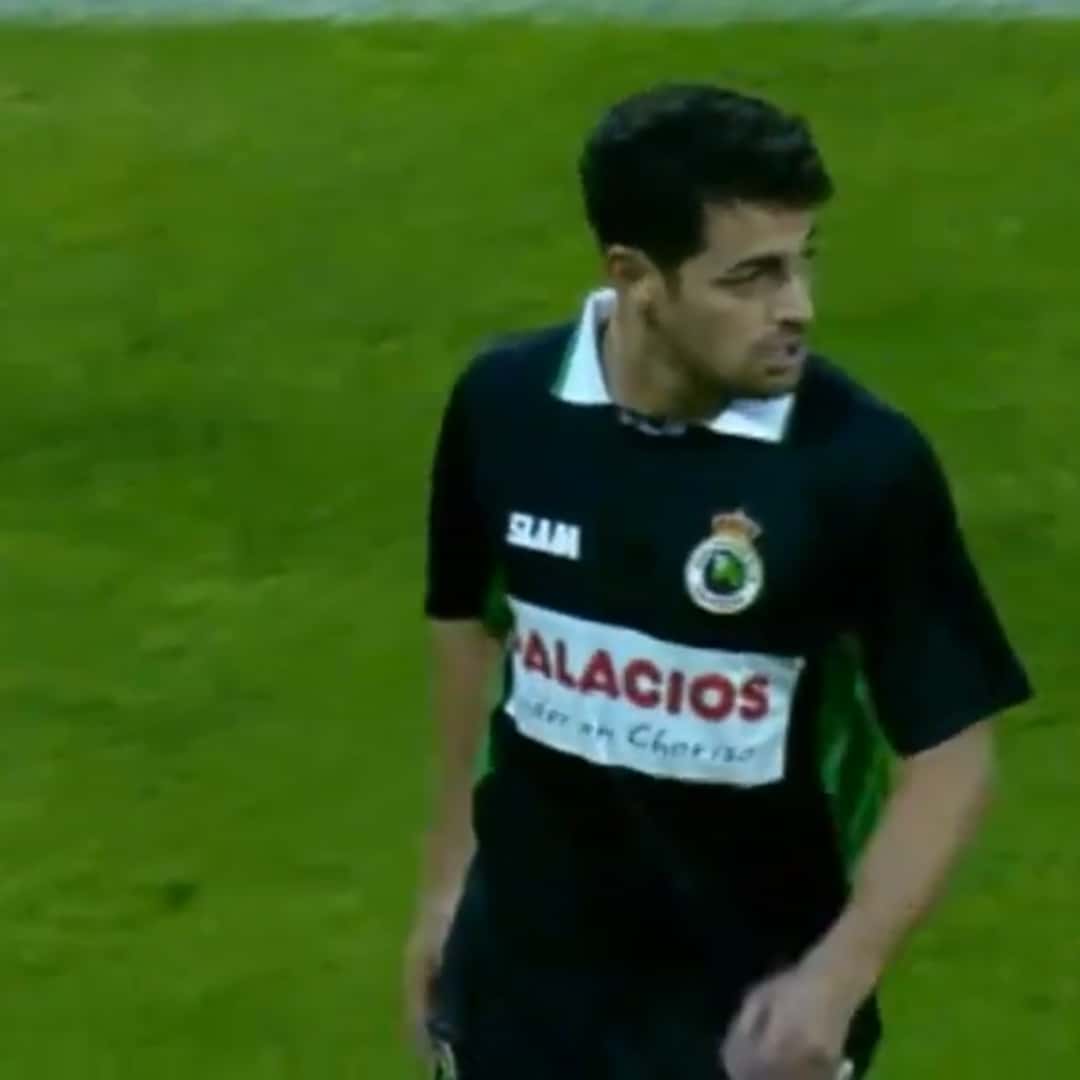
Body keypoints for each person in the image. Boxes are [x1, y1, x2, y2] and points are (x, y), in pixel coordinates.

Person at [405, 83, 1032, 1080]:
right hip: (519, 996)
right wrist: (446, 880)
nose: (797, 309)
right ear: (636, 277)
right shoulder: (505, 406)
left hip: (743, 1026)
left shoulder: (856, 465)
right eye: (751, 277)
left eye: (802, 261)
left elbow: (954, 754)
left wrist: (838, 976)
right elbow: (466, 623)